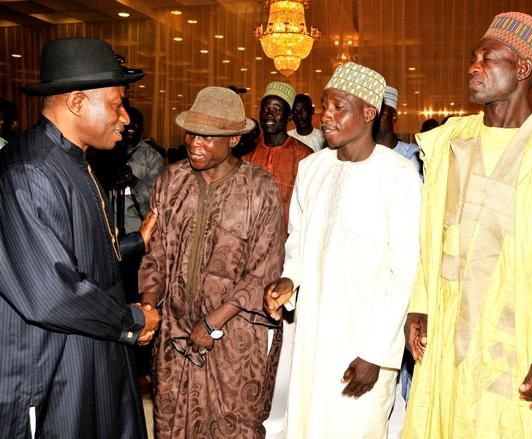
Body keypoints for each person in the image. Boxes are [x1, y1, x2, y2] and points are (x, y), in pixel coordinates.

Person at [402, 12, 532, 438]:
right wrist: (420, 302)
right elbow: (432, 235)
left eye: (487, 58)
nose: (473, 67)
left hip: (525, 343)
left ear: (523, 69)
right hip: (450, 342)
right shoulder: (452, 141)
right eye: (473, 57)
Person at [0, 37, 160, 438]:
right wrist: (133, 319)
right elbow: (52, 292)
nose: (125, 117)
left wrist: (135, 242)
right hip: (51, 373)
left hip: (89, 359)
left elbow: (78, 255)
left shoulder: (74, 160)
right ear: (76, 103)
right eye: (116, 103)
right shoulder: (29, 172)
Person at [264, 62, 421, 438]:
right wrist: (289, 280)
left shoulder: (399, 177)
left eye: (338, 108)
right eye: (324, 107)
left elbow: (406, 272)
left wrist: (377, 354)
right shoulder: (312, 168)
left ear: (370, 113)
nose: (326, 117)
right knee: (304, 424)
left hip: (363, 342)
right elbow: (298, 241)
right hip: (313, 333)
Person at [139, 86, 286, 438]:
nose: (195, 143)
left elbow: (264, 269)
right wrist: (148, 303)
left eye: (208, 137)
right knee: (174, 424)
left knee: (230, 427)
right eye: (192, 133)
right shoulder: (170, 181)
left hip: (233, 338)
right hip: (175, 337)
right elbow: (154, 255)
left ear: (234, 138)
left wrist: (213, 322)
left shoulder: (259, 188)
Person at [243, 81, 313, 227]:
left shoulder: (304, 156)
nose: (269, 114)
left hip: (289, 244)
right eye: (265, 109)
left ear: (289, 116)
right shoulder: (247, 155)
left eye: (276, 109)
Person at [122, 106, 165, 234]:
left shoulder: (152, 157)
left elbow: (156, 196)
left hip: (136, 228)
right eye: (128, 122)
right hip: (107, 229)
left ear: (142, 127)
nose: (132, 126)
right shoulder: (106, 151)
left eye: (136, 123)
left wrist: (134, 181)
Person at [375, 85, 422, 175]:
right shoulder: (361, 153)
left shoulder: (411, 154)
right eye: (372, 112)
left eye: (381, 112)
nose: (375, 116)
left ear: (394, 116)